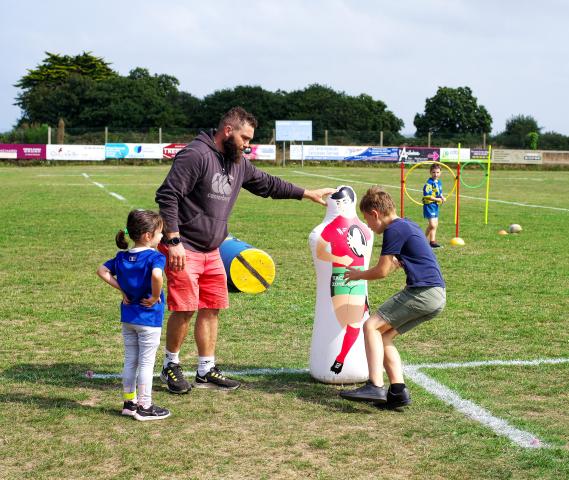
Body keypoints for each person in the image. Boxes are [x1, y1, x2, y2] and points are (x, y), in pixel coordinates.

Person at [155, 106, 335, 394]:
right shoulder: (196, 155)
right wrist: (173, 240)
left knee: (212, 308)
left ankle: (205, 368)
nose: (248, 145)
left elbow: (267, 184)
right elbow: (168, 194)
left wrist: (306, 193)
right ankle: (170, 365)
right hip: (185, 246)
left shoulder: (237, 162)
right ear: (228, 131)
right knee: (185, 309)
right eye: (245, 138)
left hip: (214, 248)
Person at [340, 186, 446, 408]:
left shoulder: (393, 230)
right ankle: (398, 392)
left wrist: (358, 274)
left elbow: (382, 271)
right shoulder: (406, 225)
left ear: (375, 214)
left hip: (422, 292)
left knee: (370, 326)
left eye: (367, 219)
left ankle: (375, 385)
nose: (368, 225)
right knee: (384, 335)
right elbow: (412, 257)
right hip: (437, 296)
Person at [96, 209, 170, 421]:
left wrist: (122, 289)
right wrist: (156, 296)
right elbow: (157, 275)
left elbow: (101, 270)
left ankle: (129, 403)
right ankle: (145, 406)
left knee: (130, 361)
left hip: (128, 318)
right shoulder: (155, 257)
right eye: (160, 233)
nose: (162, 237)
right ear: (148, 236)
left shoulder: (121, 257)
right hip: (149, 319)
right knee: (146, 363)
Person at [314, 186, 372, 374]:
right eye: (338, 201)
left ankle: (340, 359)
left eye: (344, 201)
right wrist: (339, 259)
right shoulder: (329, 227)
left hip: (358, 279)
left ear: (351, 201)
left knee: (353, 324)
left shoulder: (365, 229)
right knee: (343, 320)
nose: (341, 204)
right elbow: (321, 252)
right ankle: (362, 307)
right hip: (339, 278)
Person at [423, 163, 446, 248]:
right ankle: (423, 240)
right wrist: (437, 199)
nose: (435, 174)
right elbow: (427, 196)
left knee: (435, 224)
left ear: (440, 173)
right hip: (429, 205)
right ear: (430, 172)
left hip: (435, 205)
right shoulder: (429, 183)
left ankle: (432, 241)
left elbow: (439, 192)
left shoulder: (439, 182)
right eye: (433, 172)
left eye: (437, 172)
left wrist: (442, 197)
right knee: (432, 224)